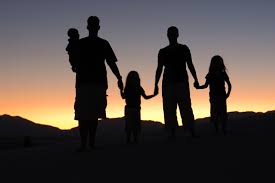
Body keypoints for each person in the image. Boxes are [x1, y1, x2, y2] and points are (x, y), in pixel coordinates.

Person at [74, 16, 123, 151]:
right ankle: (89, 143)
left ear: (88, 27)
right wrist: (119, 77)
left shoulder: (82, 43)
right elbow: (111, 63)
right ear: (98, 27)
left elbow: (74, 65)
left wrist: (119, 77)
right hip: (94, 82)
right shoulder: (102, 43)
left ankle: (86, 144)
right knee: (91, 113)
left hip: (87, 82)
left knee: (85, 114)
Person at [154, 26, 199, 139]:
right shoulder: (163, 51)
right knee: (170, 108)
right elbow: (159, 68)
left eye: (173, 33)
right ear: (168, 35)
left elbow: (190, 64)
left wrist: (196, 79)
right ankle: (174, 132)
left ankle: (189, 131)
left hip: (181, 82)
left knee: (185, 107)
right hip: (169, 83)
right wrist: (156, 84)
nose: (172, 36)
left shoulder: (183, 48)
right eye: (170, 33)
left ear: (177, 35)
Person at [194, 55, 232, 134]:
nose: (217, 64)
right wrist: (198, 87)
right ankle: (217, 130)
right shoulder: (210, 74)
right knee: (216, 113)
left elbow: (229, 85)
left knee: (222, 113)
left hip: (221, 96)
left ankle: (222, 130)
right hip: (215, 97)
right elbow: (205, 85)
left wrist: (228, 94)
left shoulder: (222, 74)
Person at [120, 71, 157, 144]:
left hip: (129, 109)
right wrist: (154, 95)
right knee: (135, 125)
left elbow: (123, 96)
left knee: (129, 125)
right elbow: (146, 97)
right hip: (135, 108)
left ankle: (129, 141)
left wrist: (121, 89)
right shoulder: (138, 88)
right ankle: (135, 140)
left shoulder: (128, 87)